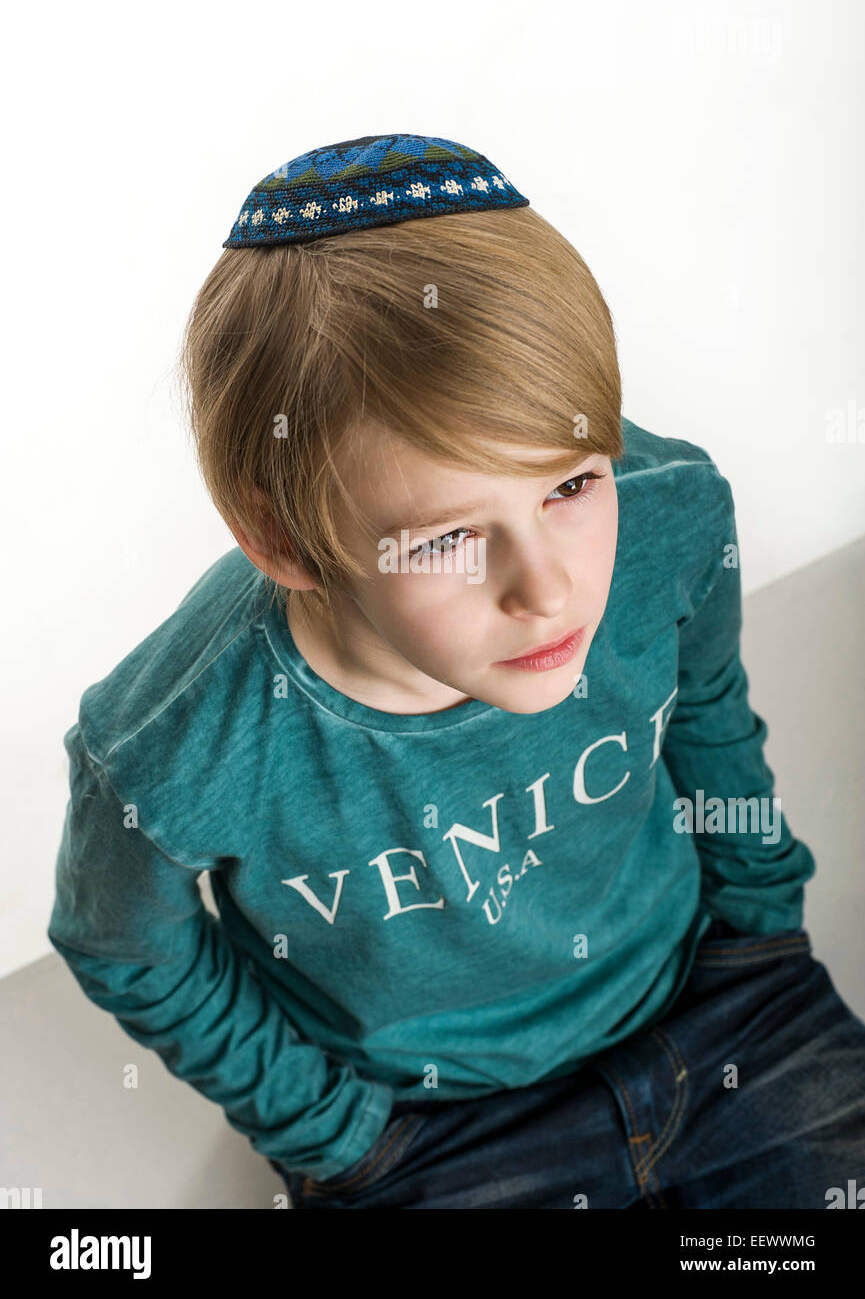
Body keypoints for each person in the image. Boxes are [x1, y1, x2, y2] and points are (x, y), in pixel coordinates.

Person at [47, 133, 865, 1210]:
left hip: (721, 1016)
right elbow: (126, 945)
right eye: (445, 540)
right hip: (429, 1129)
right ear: (285, 542)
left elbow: (706, 706)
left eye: (570, 484)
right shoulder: (170, 745)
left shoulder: (672, 517)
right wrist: (329, 1130)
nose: (549, 589)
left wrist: (761, 925)